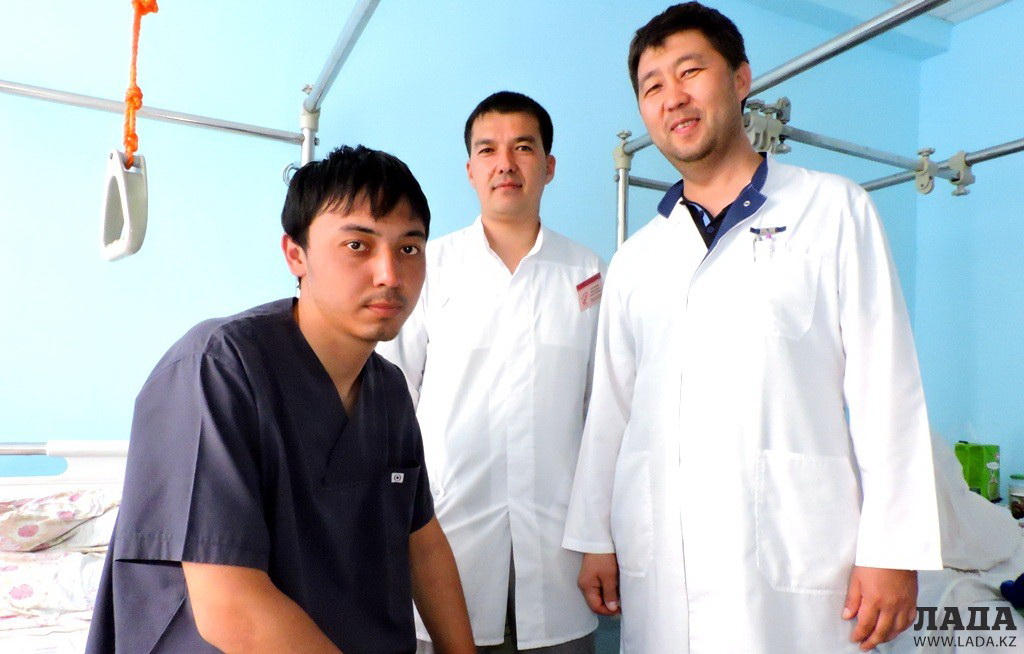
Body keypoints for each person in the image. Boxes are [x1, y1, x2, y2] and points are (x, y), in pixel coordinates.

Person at [562, 4, 942, 653]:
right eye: (652, 86)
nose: (672, 97)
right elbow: (611, 414)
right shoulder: (636, 260)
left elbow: (887, 389)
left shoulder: (834, 210)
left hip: (797, 570)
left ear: (741, 79)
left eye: (690, 72)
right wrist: (595, 536)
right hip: (666, 573)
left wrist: (892, 549)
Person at [85, 145, 475, 653]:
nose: (389, 274)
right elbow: (231, 607)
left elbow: (421, 543)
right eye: (357, 245)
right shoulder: (217, 369)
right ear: (296, 254)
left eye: (409, 249)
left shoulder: (389, 391)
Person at [378, 91, 604, 653]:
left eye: (523, 148)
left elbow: (603, 416)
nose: (506, 163)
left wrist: (603, 537)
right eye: (488, 150)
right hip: (444, 541)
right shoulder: (427, 265)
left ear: (549, 166)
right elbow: (390, 401)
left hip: (558, 553)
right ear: (470, 170)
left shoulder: (586, 272)